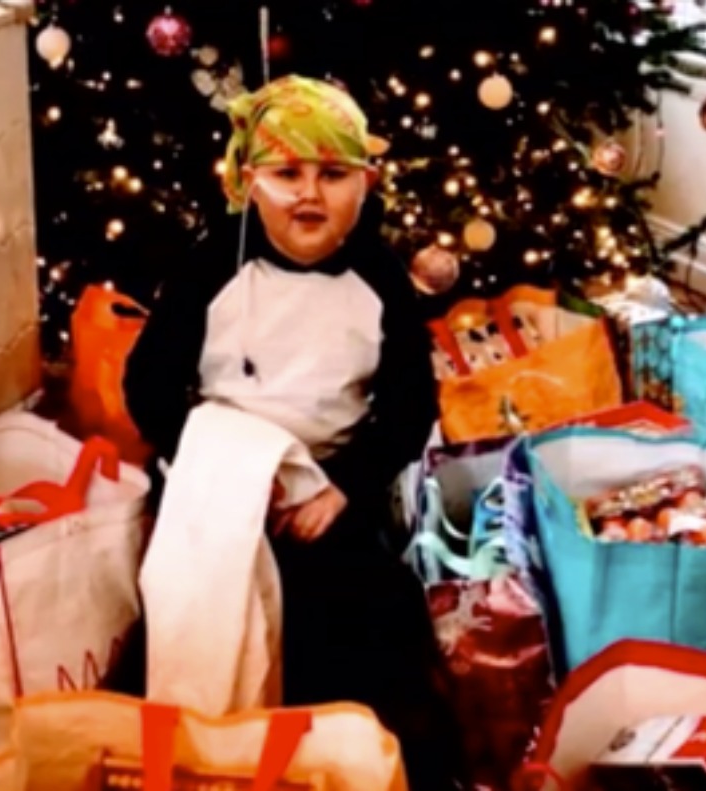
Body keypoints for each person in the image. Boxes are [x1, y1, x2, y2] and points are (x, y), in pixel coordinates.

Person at [120, 74, 463, 789]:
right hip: (218, 485)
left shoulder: (379, 277)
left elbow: (409, 407)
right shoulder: (212, 265)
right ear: (250, 182)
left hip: (329, 485)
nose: (309, 194)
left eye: (333, 175)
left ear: (366, 184)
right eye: (287, 175)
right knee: (190, 631)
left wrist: (343, 488)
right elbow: (148, 386)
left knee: (370, 629)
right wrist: (224, 474)